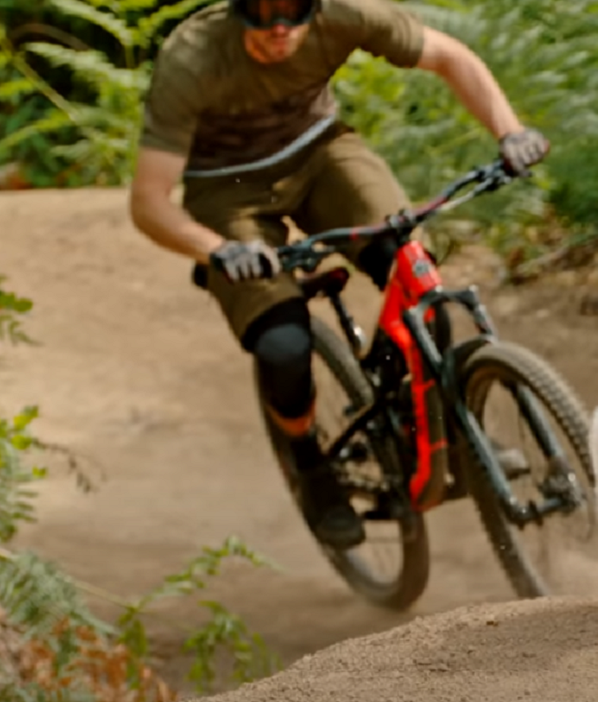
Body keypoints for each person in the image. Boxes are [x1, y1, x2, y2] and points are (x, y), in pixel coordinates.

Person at [127, 0, 550, 550]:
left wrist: (509, 132)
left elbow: (449, 56)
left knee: (419, 280)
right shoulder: (191, 57)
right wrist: (217, 251)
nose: (279, 28)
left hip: (322, 155)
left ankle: (443, 431)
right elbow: (149, 203)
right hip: (226, 189)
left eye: (292, 10)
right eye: (262, 13)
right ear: (237, 9)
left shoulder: (346, 13)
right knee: (281, 344)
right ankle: (310, 467)